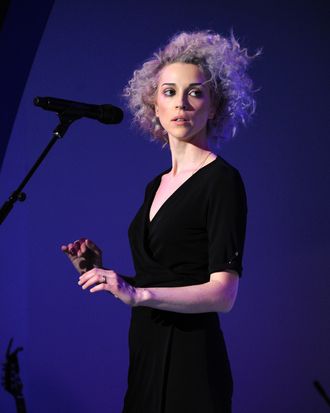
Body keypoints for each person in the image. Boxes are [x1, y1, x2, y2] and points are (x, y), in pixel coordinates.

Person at [61, 30, 258, 413]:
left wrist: (138, 294)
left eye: (195, 92)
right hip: (146, 349)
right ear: (153, 105)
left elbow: (223, 295)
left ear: (214, 106)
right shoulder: (156, 185)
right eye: (169, 92)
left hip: (192, 358)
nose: (181, 103)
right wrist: (107, 274)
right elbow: (162, 280)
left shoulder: (221, 180)